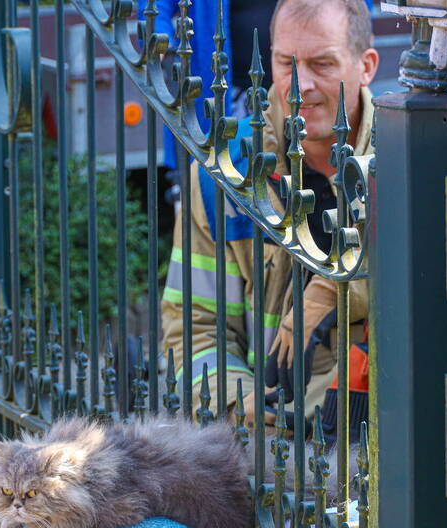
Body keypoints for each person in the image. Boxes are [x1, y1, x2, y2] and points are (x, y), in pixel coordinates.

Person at [161, 0, 378, 430]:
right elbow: (192, 327)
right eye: (286, 64)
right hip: (266, 447)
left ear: (366, 66)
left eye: (322, 64)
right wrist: (237, 398)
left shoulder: (405, 158)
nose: (301, 86)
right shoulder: (224, 172)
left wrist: (341, 289)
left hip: (376, 444)